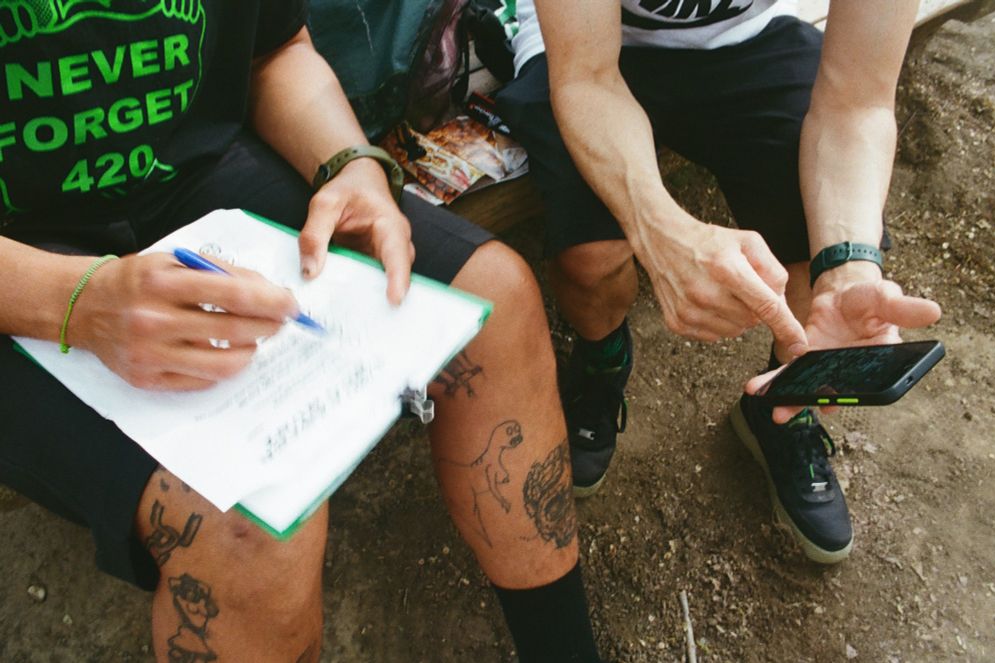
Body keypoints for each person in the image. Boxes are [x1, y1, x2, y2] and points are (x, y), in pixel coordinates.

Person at [0, 2, 603, 661]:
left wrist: (352, 163)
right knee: (249, 519)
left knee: (493, 301)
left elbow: (276, 47)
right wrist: (71, 301)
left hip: (195, 179)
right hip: (21, 254)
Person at [496, 0, 942, 563]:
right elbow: (587, 77)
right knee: (591, 255)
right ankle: (601, 364)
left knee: (816, 254)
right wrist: (658, 229)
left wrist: (848, 266)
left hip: (746, 38)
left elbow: (857, 103)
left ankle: (783, 408)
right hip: (587, 49)